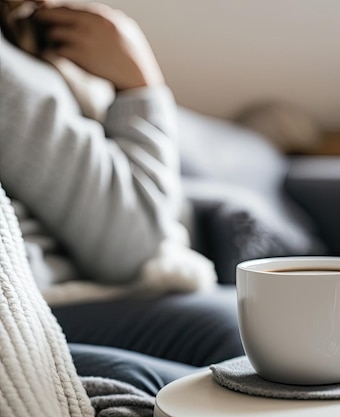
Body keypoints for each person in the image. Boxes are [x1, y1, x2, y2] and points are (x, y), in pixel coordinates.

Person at [0, 0, 244, 395]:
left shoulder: (27, 46)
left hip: (79, 292)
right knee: (248, 330)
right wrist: (140, 85)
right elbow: (133, 247)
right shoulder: (7, 72)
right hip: (40, 305)